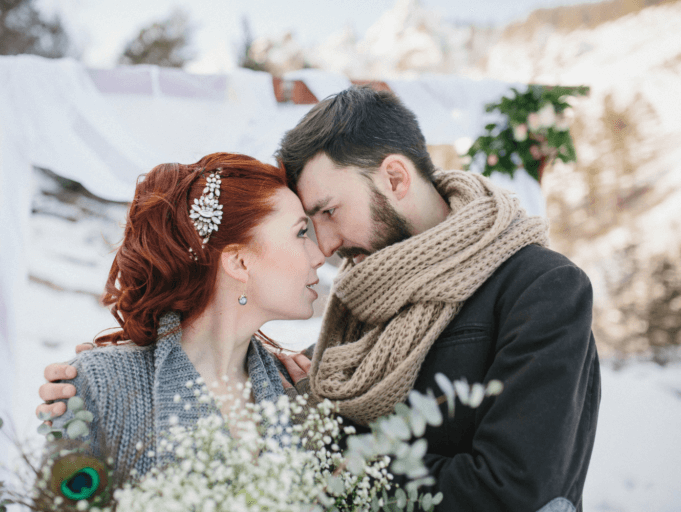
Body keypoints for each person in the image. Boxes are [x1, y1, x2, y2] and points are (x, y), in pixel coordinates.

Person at [40, 87, 600, 512]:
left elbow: (513, 491)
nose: (326, 249)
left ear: (396, 178)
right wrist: (109, 376)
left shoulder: (538, 288)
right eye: (305, 227)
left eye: (327, 213)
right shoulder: (341, 328)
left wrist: (317, 453)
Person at [42, 152, 324, 478]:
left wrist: (318, 435)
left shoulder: (297, 393)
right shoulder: (101, 385)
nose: (318, 256)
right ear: (239, 262)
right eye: (301, 233)